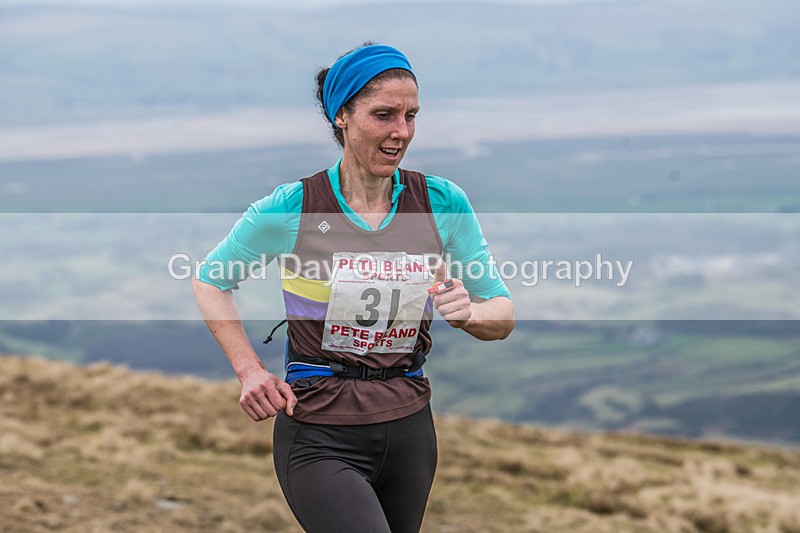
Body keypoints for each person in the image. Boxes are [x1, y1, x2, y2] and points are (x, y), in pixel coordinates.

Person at [192, 42, 514, 533]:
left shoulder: (443, 202)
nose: (401, 132)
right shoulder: (294, 206)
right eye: (384, 115)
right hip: (319, 429)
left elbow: (502, 313)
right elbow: (211, 280)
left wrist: (469, 313)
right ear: (342, 115)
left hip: (409, 427)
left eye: (411, 116)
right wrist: (249, 370)